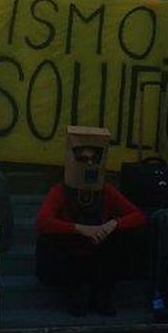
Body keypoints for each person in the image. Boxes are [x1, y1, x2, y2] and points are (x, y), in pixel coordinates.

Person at [35, 128, 146, 316]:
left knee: (128, 236)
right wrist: (79, 229)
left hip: (98, 251)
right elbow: (42, 221)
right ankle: (74, 292)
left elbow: (138, 216)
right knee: (49, 239)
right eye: (83, 159)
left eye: (93, 159)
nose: (89, 164)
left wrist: (111, 225)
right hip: (70, 254)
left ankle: (102, 293)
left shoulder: (106, 191)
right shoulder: (60, 191)